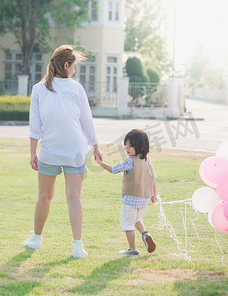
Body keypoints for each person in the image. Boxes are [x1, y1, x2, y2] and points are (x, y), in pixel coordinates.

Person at [23, 45, 102, 258]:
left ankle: (36, 239)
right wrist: (95, 146)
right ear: (66, 65)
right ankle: (78, 247)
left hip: (49, 150)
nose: (74, 71)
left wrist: (33, 152)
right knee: (74, 197)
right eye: (74, 66)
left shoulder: (38, 89)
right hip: (74, 151)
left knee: (44, 196)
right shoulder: (76, 89)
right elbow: (87, 120)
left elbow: (35, 126)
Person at [95, 129, 157, 255]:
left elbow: (113, 169)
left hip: (130, 200)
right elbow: (153, 178)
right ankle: (145, 234)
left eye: (131, 145)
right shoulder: (147, 160)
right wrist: (154, 195)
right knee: (137, 220)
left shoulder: (130, 160)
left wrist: (100, 162)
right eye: (126, 145)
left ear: (140, 146)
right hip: (143, 200)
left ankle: (132, 249)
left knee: (128, 225)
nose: (127, 148)